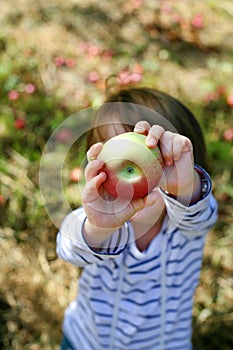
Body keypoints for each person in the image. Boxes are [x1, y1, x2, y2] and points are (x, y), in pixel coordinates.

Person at [57, 87, 218, 350]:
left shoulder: (189, 222)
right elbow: (68, 246)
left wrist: (185, 185)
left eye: (159, 163)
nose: (134, 173)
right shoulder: (102, 222)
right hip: (85, 342)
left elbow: (202, 212)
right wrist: (97, 226)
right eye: (117, 160)